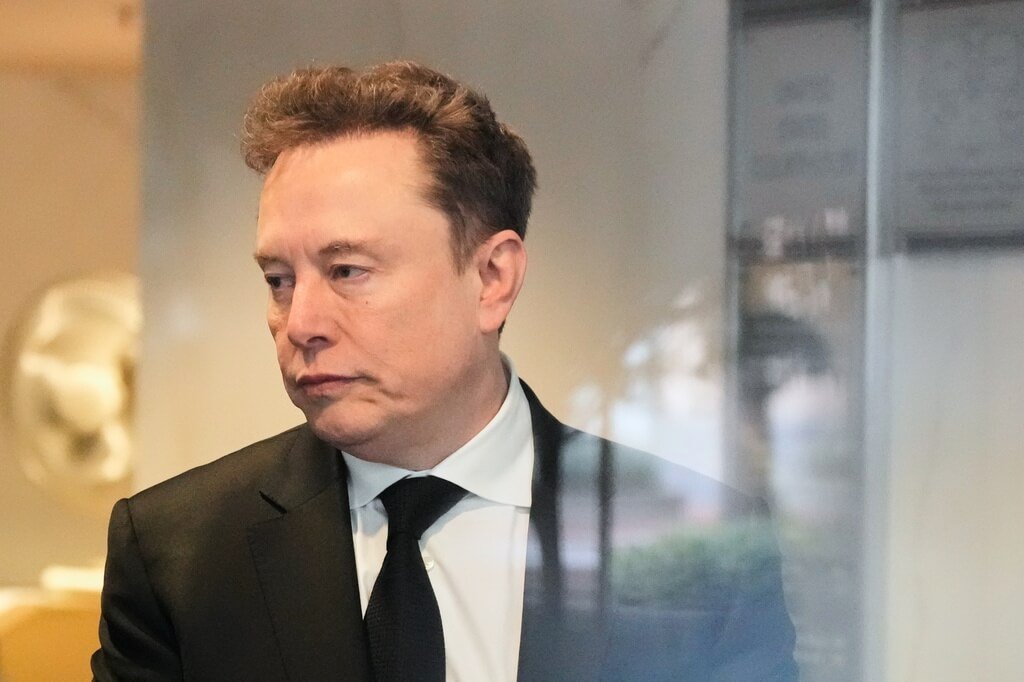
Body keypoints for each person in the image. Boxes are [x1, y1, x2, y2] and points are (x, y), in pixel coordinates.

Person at [92, 61, 797, 681]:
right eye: (279, 279)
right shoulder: (176, 554)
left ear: (492, 278)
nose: (300, 322)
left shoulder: (704, 555)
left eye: (347, 271)